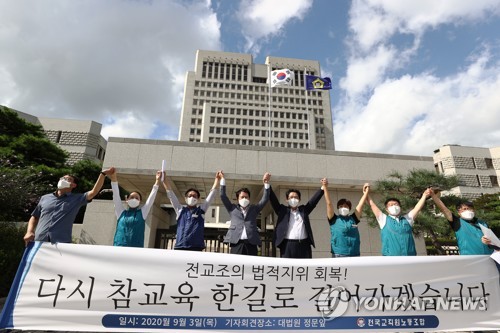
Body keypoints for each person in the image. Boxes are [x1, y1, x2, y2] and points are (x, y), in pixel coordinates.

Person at [23, 168, 112, 245]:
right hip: (39, 241)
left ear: (73, 185)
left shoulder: (77, 199)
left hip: (61, 243)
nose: (63, 180)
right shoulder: (45, 198)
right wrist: (29, 232)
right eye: (62, 178)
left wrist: (103, 174)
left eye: (67, 179)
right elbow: (34, 217)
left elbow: (94, 191)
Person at [163, 170, 221, 251]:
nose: (192, 198)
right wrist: (164, 180)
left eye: (194, 196)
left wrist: (217, 180)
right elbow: (171, 195)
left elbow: (211, 196)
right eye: (189, 196)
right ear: (185, 198)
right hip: (180, 246)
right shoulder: (180, 210)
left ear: (198, 199)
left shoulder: (201, 210)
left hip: (197, 248)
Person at [270, 178, 327, 258]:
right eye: (291, 197)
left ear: (299, 199)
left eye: (296, 197)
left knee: (305, 268)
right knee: (288, 268)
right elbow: (273, 201)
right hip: (287, 245)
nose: (293, 199)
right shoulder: (282, 211)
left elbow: (313, 202)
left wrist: (322, 188)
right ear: (287, 200)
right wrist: (266, 184)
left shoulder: (304, 210)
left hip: (304, 245)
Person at [429, 189, 493, 255]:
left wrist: (489, 241)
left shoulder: (483, 223)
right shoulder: (457, 222)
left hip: (488, 257)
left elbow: (493, 239)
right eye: (464, 209)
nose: (467, 210)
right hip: (469, 259)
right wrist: (433, 196)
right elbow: (444, 209)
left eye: (469, 208)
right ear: (459, 212)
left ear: (474, 210)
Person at [220, 171, 271, 255]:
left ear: (249, 199)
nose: (244, 199)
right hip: (236, 243)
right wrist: (222, 180)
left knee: (251, 266)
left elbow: (265, 199)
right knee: (236, 265)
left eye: (246, 197)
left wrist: (266, 183)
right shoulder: (232, 208)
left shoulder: (254, 209)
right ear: (238, 199)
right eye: (242, 197)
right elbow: (223, 196)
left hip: (251, 243)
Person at [367, 189, 430, 256]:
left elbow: (417, 208)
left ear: (400, 207)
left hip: (410, 257)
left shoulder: (407, 219)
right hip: (391, 259)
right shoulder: (383, 219)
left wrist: (424, 195)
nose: (394, 206)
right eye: (390, 205)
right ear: (386, 210)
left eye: (396, 204)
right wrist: (366, 194)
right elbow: (372, 205)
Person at [109, 168, 161, 247]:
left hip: (136, 250)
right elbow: (116, 194)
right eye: (132, 197)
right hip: (118, 248)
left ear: (140, 202)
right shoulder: (120, 212)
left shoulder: (142, 213)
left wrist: (157, 181)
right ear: (127, 200)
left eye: (137, 198)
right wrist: (113, 177)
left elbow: (151, 198)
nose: (134, 199)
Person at [325, 183, 370, 257]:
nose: (343, 208)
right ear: (338, 208)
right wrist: (325, 187)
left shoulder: (354, 218)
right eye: (341, 206)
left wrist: (366, 193)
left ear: (349, 208)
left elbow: (360, 205)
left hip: (354, 253)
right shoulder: (334, 219)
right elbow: (329, 203)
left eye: (346, 206)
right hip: (338, 254)